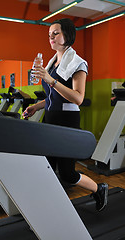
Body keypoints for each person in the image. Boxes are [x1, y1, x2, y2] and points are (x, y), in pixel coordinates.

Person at [23, 18, 108, 211]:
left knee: (68, 174)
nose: (51, 37)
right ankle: (47, 210)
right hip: (51, 120)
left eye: (56, 33)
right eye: (49, 34)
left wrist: (50, 80)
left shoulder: (78, 64)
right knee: (46, 168)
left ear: (67, 35)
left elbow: (77, 98)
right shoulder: (52, 63)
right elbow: (54, 97)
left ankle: (99, 188)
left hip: (67, 123)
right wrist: (37, 106)